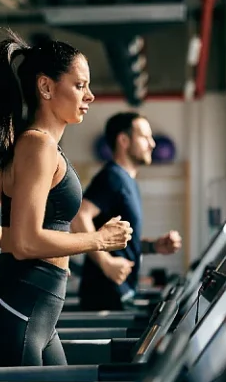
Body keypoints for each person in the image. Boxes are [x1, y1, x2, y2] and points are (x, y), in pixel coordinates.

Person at [0, 30, 133, 382]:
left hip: (35, 320)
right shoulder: (36, 147)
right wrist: (98, 241)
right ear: (46, 87)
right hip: (16, 318)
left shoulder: (37, 148)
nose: (90, 96)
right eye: (80, 85)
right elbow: (27, 241)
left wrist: (16, 241)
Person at [71, 111, 182, 311]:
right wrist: (106, 262)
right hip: (104, 296)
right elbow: (80, 217)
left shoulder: (128, 181)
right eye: (144, 137)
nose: (152, 144)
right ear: (123, 140)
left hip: (121, 292)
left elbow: (121, 242)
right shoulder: (112, 177)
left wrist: (154, 246)